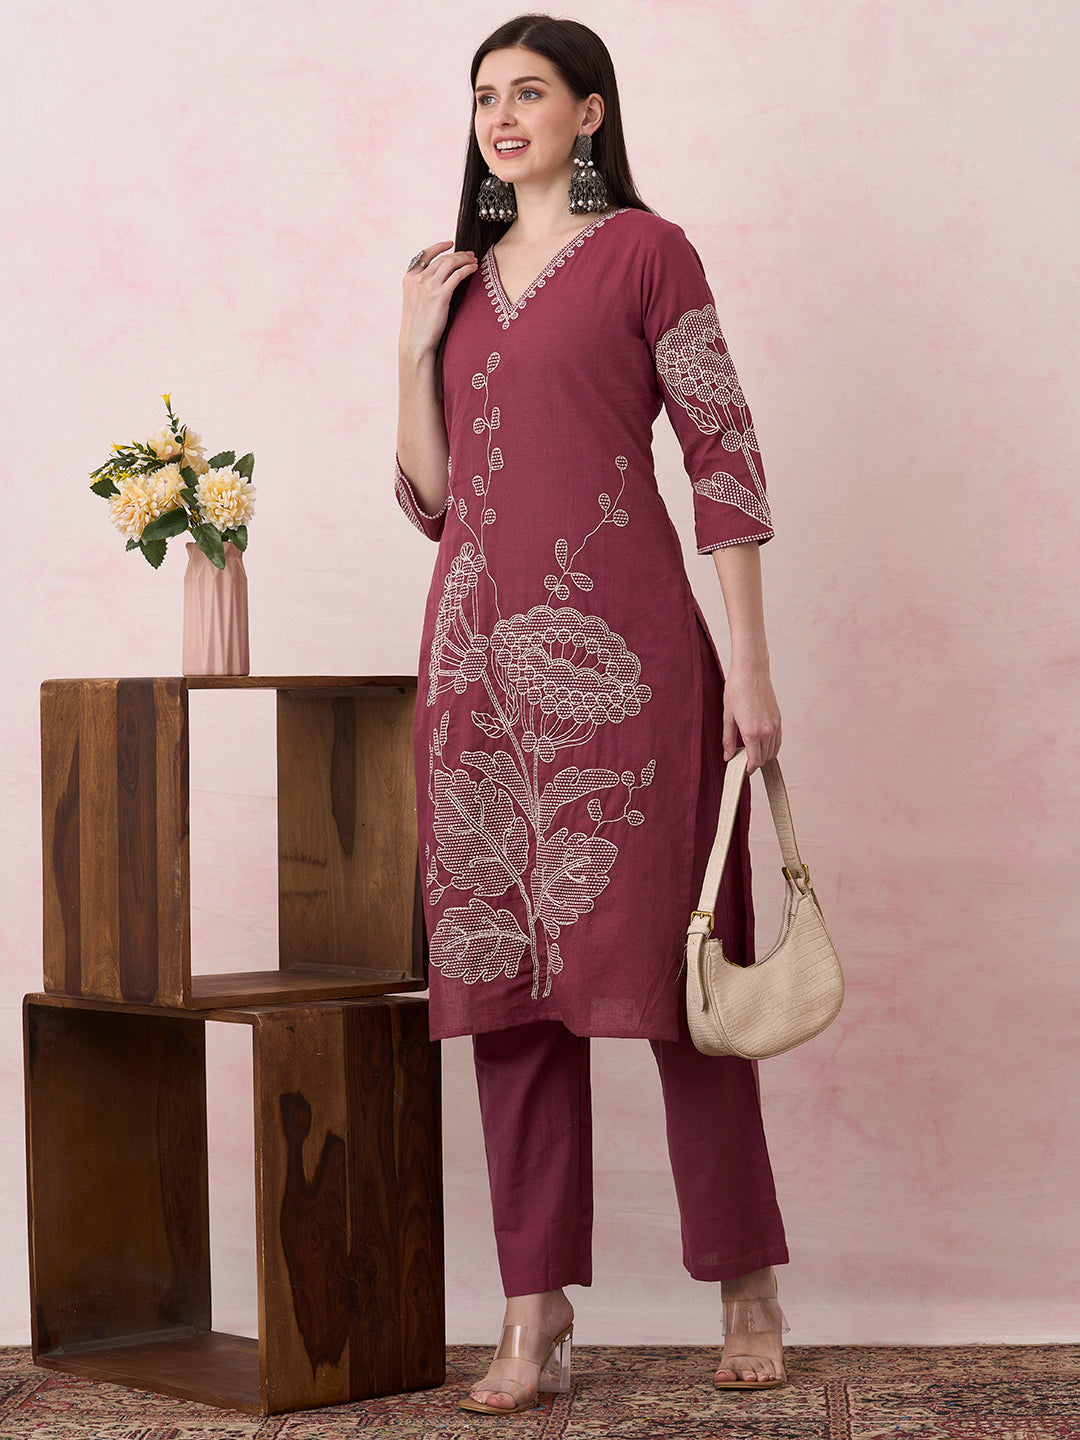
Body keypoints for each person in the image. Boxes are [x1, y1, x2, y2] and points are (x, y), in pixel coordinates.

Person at [395, 13, 789, 1414]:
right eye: (483, 98)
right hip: (476, 681)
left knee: (684, 984)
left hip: (633, 666)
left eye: (529, 93)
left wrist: (752, 669)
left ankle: (745, 1281)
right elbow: (433, 499)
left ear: (591, 112)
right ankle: (534, 1311)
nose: (502, 118)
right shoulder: (453, 279)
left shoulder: (647, 253)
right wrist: (410, 342)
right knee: (504, 997)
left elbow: (724, 456)